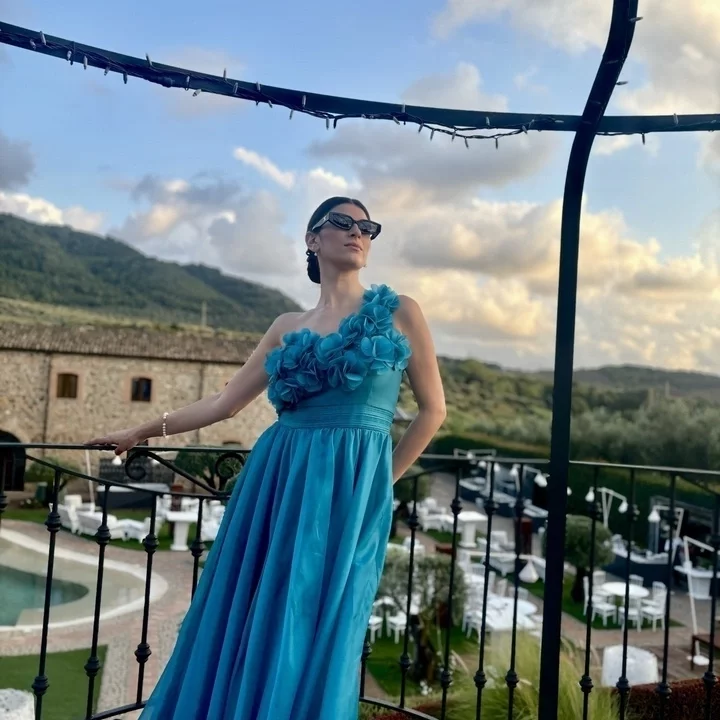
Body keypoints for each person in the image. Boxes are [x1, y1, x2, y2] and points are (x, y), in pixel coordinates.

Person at [86, 196, 446, 720]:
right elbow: (224, 404)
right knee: (257, 605)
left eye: (368, 226)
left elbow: (433, 412)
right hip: (276, 482)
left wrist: (378, 485)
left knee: (328, 617)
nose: (358, 232)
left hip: (351, 492)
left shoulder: (400, 311)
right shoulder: (285, 325)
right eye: (343, 222)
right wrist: (140, 430)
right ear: (313, 239)